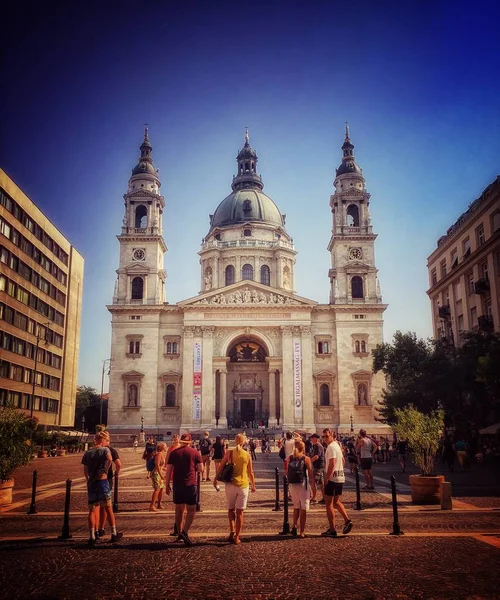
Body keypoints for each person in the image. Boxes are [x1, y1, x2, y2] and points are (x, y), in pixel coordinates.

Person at [213, 432, 256, 545]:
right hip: (243, 485)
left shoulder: (229, 453)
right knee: (240, 512)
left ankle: (232, 531)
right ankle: (237, 537)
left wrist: (215, 479)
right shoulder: (247, 455)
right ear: (244, 442)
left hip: (231, 485)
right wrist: (253, 485)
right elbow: (250, 472)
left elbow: (221, 466)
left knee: (230, 509)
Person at [81, 431, 123, 546]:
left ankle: (92, 536)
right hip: (103, 482)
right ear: (102, 441)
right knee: (108, 508)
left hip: (92, 483)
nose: (107, 443)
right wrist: (104, 469)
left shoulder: (88, 452)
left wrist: (88, 479)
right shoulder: (105, 450)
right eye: (106, 440)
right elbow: (109, 459)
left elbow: (85, 469)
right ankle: (114, 533)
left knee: (92, 509)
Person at [165, 433, 202, 546]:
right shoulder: (195, 452)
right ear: (190, 442)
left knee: (178, 509)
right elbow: (201, 469)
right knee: (191, 509)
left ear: (181, 441)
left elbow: (169, 470)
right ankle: (184, 532)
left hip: (177, 484)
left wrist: (167, 484)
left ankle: (179, 534)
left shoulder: (173, 453)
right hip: (190, 484)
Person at [321, 428, 353, 537]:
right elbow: (343, 461)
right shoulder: (337, 446)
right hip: (340, 478)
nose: (324, 438)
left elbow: (332, 463)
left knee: (329, 503)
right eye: (323, 436)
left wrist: (327, 477)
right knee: (336, 502)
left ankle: (332, 529)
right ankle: (347, 520)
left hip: (332, 479)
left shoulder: (331, 447)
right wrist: (340, 471)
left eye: (326, 436)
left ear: (332, 436)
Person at [286, 440, 316, 537]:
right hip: (303, 484)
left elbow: (286, 472)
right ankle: (302, 531)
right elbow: (311, 474)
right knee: (303, 508)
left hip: (292, 485)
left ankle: (294, 527)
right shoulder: (306, 459)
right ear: (303, 449)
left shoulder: (289, 458)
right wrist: (313, 486)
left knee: (296, 507)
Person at [97, 435, 122, 538]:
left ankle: (95, 532)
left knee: (95, 507)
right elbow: (119, 464)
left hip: (94, 481)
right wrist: (115, 473)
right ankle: (112, 532)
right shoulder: (111, 450)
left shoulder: (91, 452)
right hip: (106, 480)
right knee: (107, 506)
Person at [149, 441, 167, 511]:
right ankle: (152, 506)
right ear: (162, 447)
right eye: (165, 446)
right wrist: (161, 475)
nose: (166, 447)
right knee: (157, 489)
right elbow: (157, 465)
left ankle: (159, 504)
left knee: (161, 489)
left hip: (159, 473)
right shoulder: (159, 454)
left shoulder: (161, 454)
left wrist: (165, 469)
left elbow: (160, 466)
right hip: (156, 473)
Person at [308, 433, 325, 504]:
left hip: (318, 466)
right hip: (318, 466)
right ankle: (324, 497)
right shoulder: (314, 445)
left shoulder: (318, 446)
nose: (311, 439)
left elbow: (317, 456)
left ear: (315, 438)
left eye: (312, 438)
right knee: (321, 483)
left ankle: (314, 498)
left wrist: (308, 462)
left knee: (313, 482)